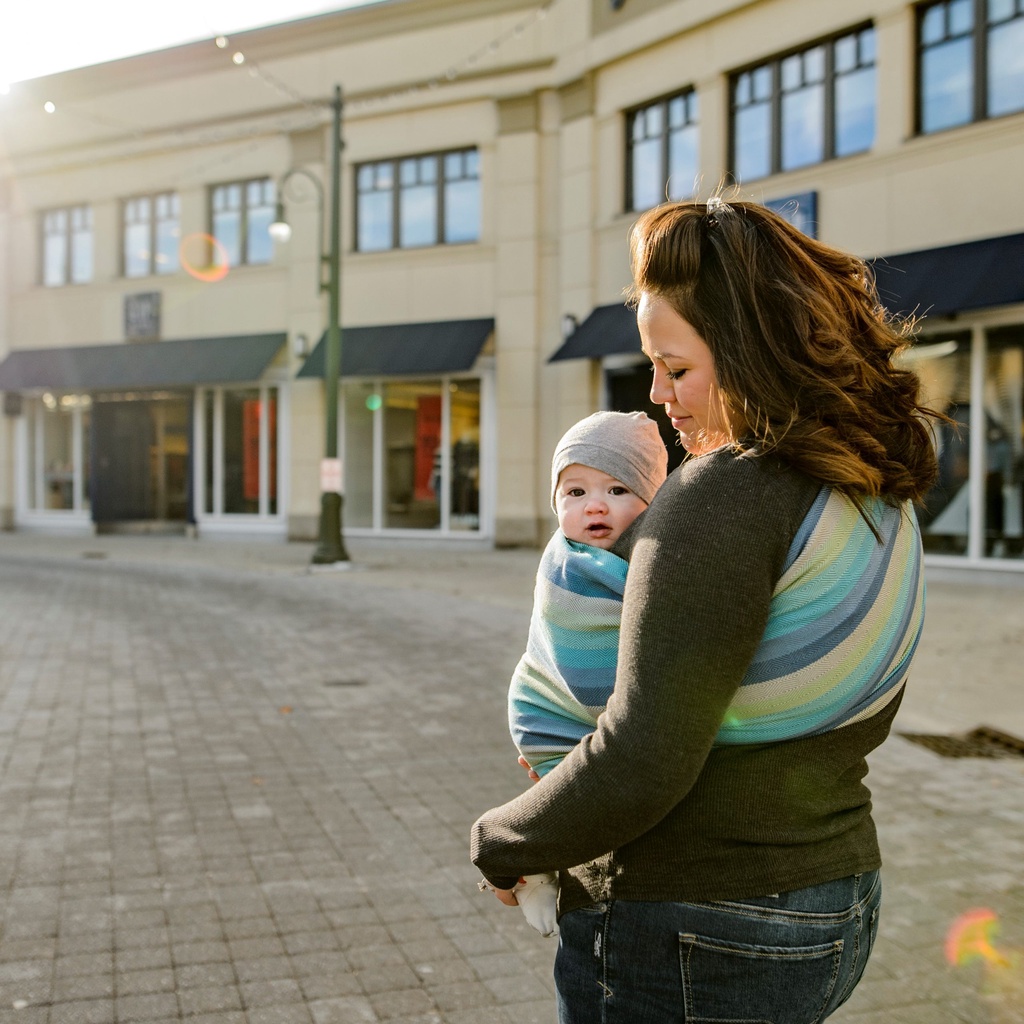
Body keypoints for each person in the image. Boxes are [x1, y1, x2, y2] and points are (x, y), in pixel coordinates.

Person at [471, 196, 940, 1023]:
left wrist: (503, 840)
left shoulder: (720, 497)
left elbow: (643, 757)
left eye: (676, 368)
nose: (658, 395)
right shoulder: (871, 489)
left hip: (696, 918)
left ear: (752, 353)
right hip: (836, 899)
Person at [502, 410, 668, 938]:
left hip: (587, 724)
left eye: (617, 488)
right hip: (553, 712)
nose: (594, 505)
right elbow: (591, 674)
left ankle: (548, 860)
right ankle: (536, 870)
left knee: (590, 807)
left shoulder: (644, 554)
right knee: (575, 803)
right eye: (574, 492)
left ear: (653, 499)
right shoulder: (571, 564)